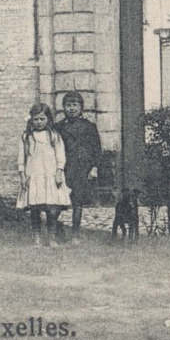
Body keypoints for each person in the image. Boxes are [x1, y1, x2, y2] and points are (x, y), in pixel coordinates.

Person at [17, 102, 70, 247]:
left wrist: (59, 172)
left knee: (52, 209)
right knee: (35, 208)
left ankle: (52, 238)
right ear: (31, 120)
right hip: (34, 175)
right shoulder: (26, 137)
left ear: (48, 119)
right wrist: (22, 176)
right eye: (36, 119)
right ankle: (37, 238)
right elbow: (21, 158)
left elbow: (61, 156)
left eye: (42, 119)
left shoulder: (54, 136)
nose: (39, 122)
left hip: (51, 175)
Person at [53, 90, 102, 236]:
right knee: (59, 202)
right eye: (68, 105)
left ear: (81, 107)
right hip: (65, 169)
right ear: (64, 107)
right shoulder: (59, 127)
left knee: (78, 203)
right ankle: (56, 228)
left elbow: (97, 149)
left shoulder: (89, 126)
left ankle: (75, 234)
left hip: (82, 170)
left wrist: (94, 167)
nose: (72, 108)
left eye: (75, 105)